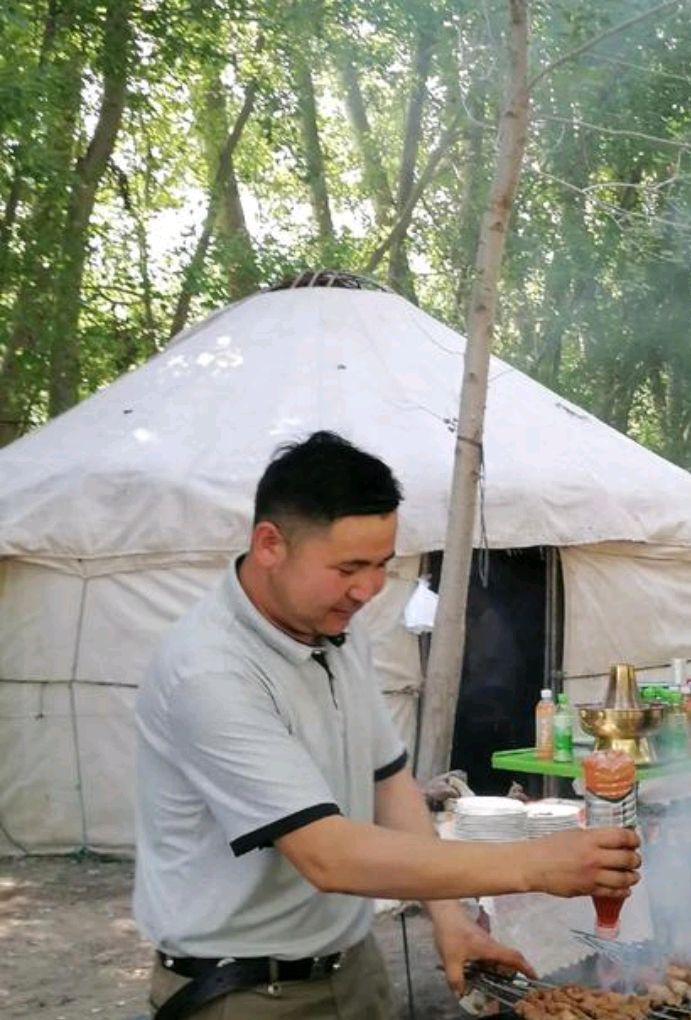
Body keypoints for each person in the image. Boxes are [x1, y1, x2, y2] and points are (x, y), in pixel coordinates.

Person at [134, 431, 641, 1020]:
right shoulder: (208, 671)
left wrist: (449, 918)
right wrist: (536, 864)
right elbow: (329, 856)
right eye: (349, 566)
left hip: (352, 967)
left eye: (381, 565)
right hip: (241, 994)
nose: (369, 589)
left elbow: (389, 782)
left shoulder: (335, 632)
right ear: (270, 544)